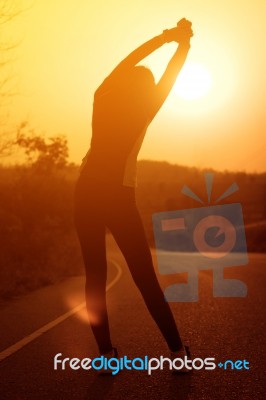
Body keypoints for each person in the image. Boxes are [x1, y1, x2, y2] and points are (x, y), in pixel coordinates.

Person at [74, 18, 193, 372]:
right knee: (144, 276)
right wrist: (183, 45)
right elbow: (171, 74)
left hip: (85, 192)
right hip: (118, 195)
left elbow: (128, 60)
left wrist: (165, 37)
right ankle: (177, 354)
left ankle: (107, 357)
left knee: (95, 277)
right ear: (146, 88)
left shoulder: (102, 94)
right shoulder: (145, 107)